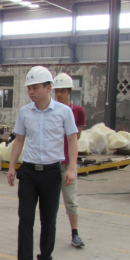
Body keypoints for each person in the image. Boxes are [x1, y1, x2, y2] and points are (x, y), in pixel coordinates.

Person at [7, 66, 79, 260]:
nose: (31, 92)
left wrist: (72, 168)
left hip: (51, 172)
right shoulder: (24, 112)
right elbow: (19, 140)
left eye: (35, 87)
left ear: (48, 88)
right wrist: (12, 166)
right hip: (28, 171)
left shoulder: (63, 112)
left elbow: (72, 140)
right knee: (25, 217)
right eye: (29, 88)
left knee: (48, 219)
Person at [53, 73, 86, 248]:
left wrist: (72, 167)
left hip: (67, 163)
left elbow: (75, 137)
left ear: (70, 92)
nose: (59, 95)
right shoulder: (49, 110)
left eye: (63, 91)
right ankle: (48, 231)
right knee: (49, 201)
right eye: (57, 91)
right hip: (51, 163)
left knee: (70, 199)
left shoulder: (77, 111)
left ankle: (75, 234)